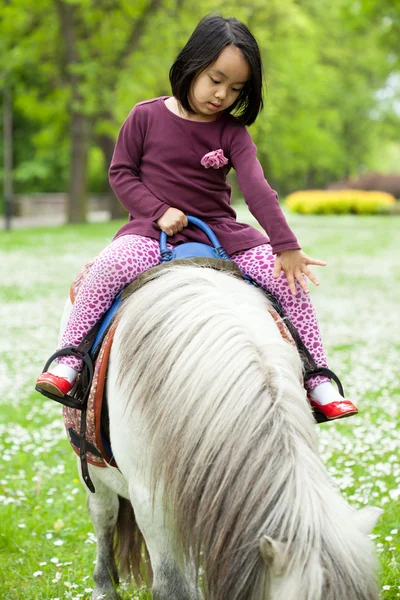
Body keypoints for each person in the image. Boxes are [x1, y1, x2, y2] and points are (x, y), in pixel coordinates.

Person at [36, 14, 358, 421]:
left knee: (286, 281)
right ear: (191, 65)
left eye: (235, 88)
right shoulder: (145, 116)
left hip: (220, 233)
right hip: (152, 233)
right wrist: (157, 211)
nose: (222, 94)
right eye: (215, 79)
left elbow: (258, 189)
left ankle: (316, 377)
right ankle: (71, 356)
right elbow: (121, 172)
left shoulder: (233, 133)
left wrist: (286, 246)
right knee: (110, 266)